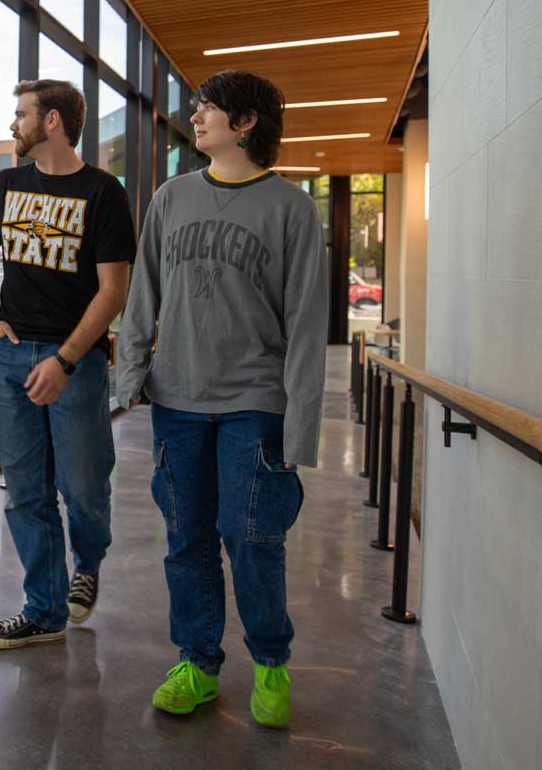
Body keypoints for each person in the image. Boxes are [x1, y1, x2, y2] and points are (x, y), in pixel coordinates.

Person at [116, 70, 329, 727]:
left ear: (246, 124)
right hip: (177, 399)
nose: (197, 117)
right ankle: (198, 663)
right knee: (186, 539)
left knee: (253, 536)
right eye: (199, 107)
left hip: (255, 401)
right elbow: (143, 294)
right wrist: (127, 380)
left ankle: (270, 662)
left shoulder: (292, 208)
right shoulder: (170, 199)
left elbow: (306, 327)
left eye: (210, 109)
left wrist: (301, 433)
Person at [0, 79, 135, 648]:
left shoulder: (104, 192)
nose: (13, 125)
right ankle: (43, 609)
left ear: (54, 121)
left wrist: (65, 359)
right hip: (13, 359)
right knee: (25, 492)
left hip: (76, 364)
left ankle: (88, 561)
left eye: (21, 114)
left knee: (84, 486)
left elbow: (113, 290)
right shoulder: (5, 185)